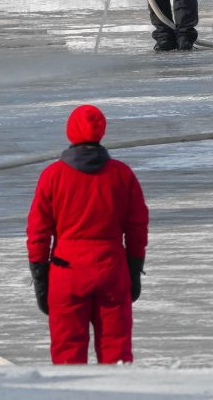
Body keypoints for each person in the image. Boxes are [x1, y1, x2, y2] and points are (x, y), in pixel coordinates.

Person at [27, 104, 149, 364]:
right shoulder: (122, 175)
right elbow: (137, 226)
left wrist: (40, 276)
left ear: (70, 132)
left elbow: (38, 231)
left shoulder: (52, 176)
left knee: (67, 353)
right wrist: (134, 269)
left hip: (66, 273)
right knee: (116, 352)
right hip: (111, 270)